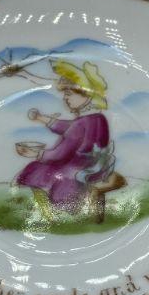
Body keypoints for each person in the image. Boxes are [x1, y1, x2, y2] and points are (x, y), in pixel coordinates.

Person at [15, 60, 112, 214]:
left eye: (69, 94)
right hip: (96, 166)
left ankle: (45, 209)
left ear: (85, 95)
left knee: (35, 170)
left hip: (76, 170)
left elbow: (60, 153)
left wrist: (36, 153)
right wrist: (42, 118)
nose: (65, 98)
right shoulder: (97, 118)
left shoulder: (81, 124)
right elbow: (69, 129)